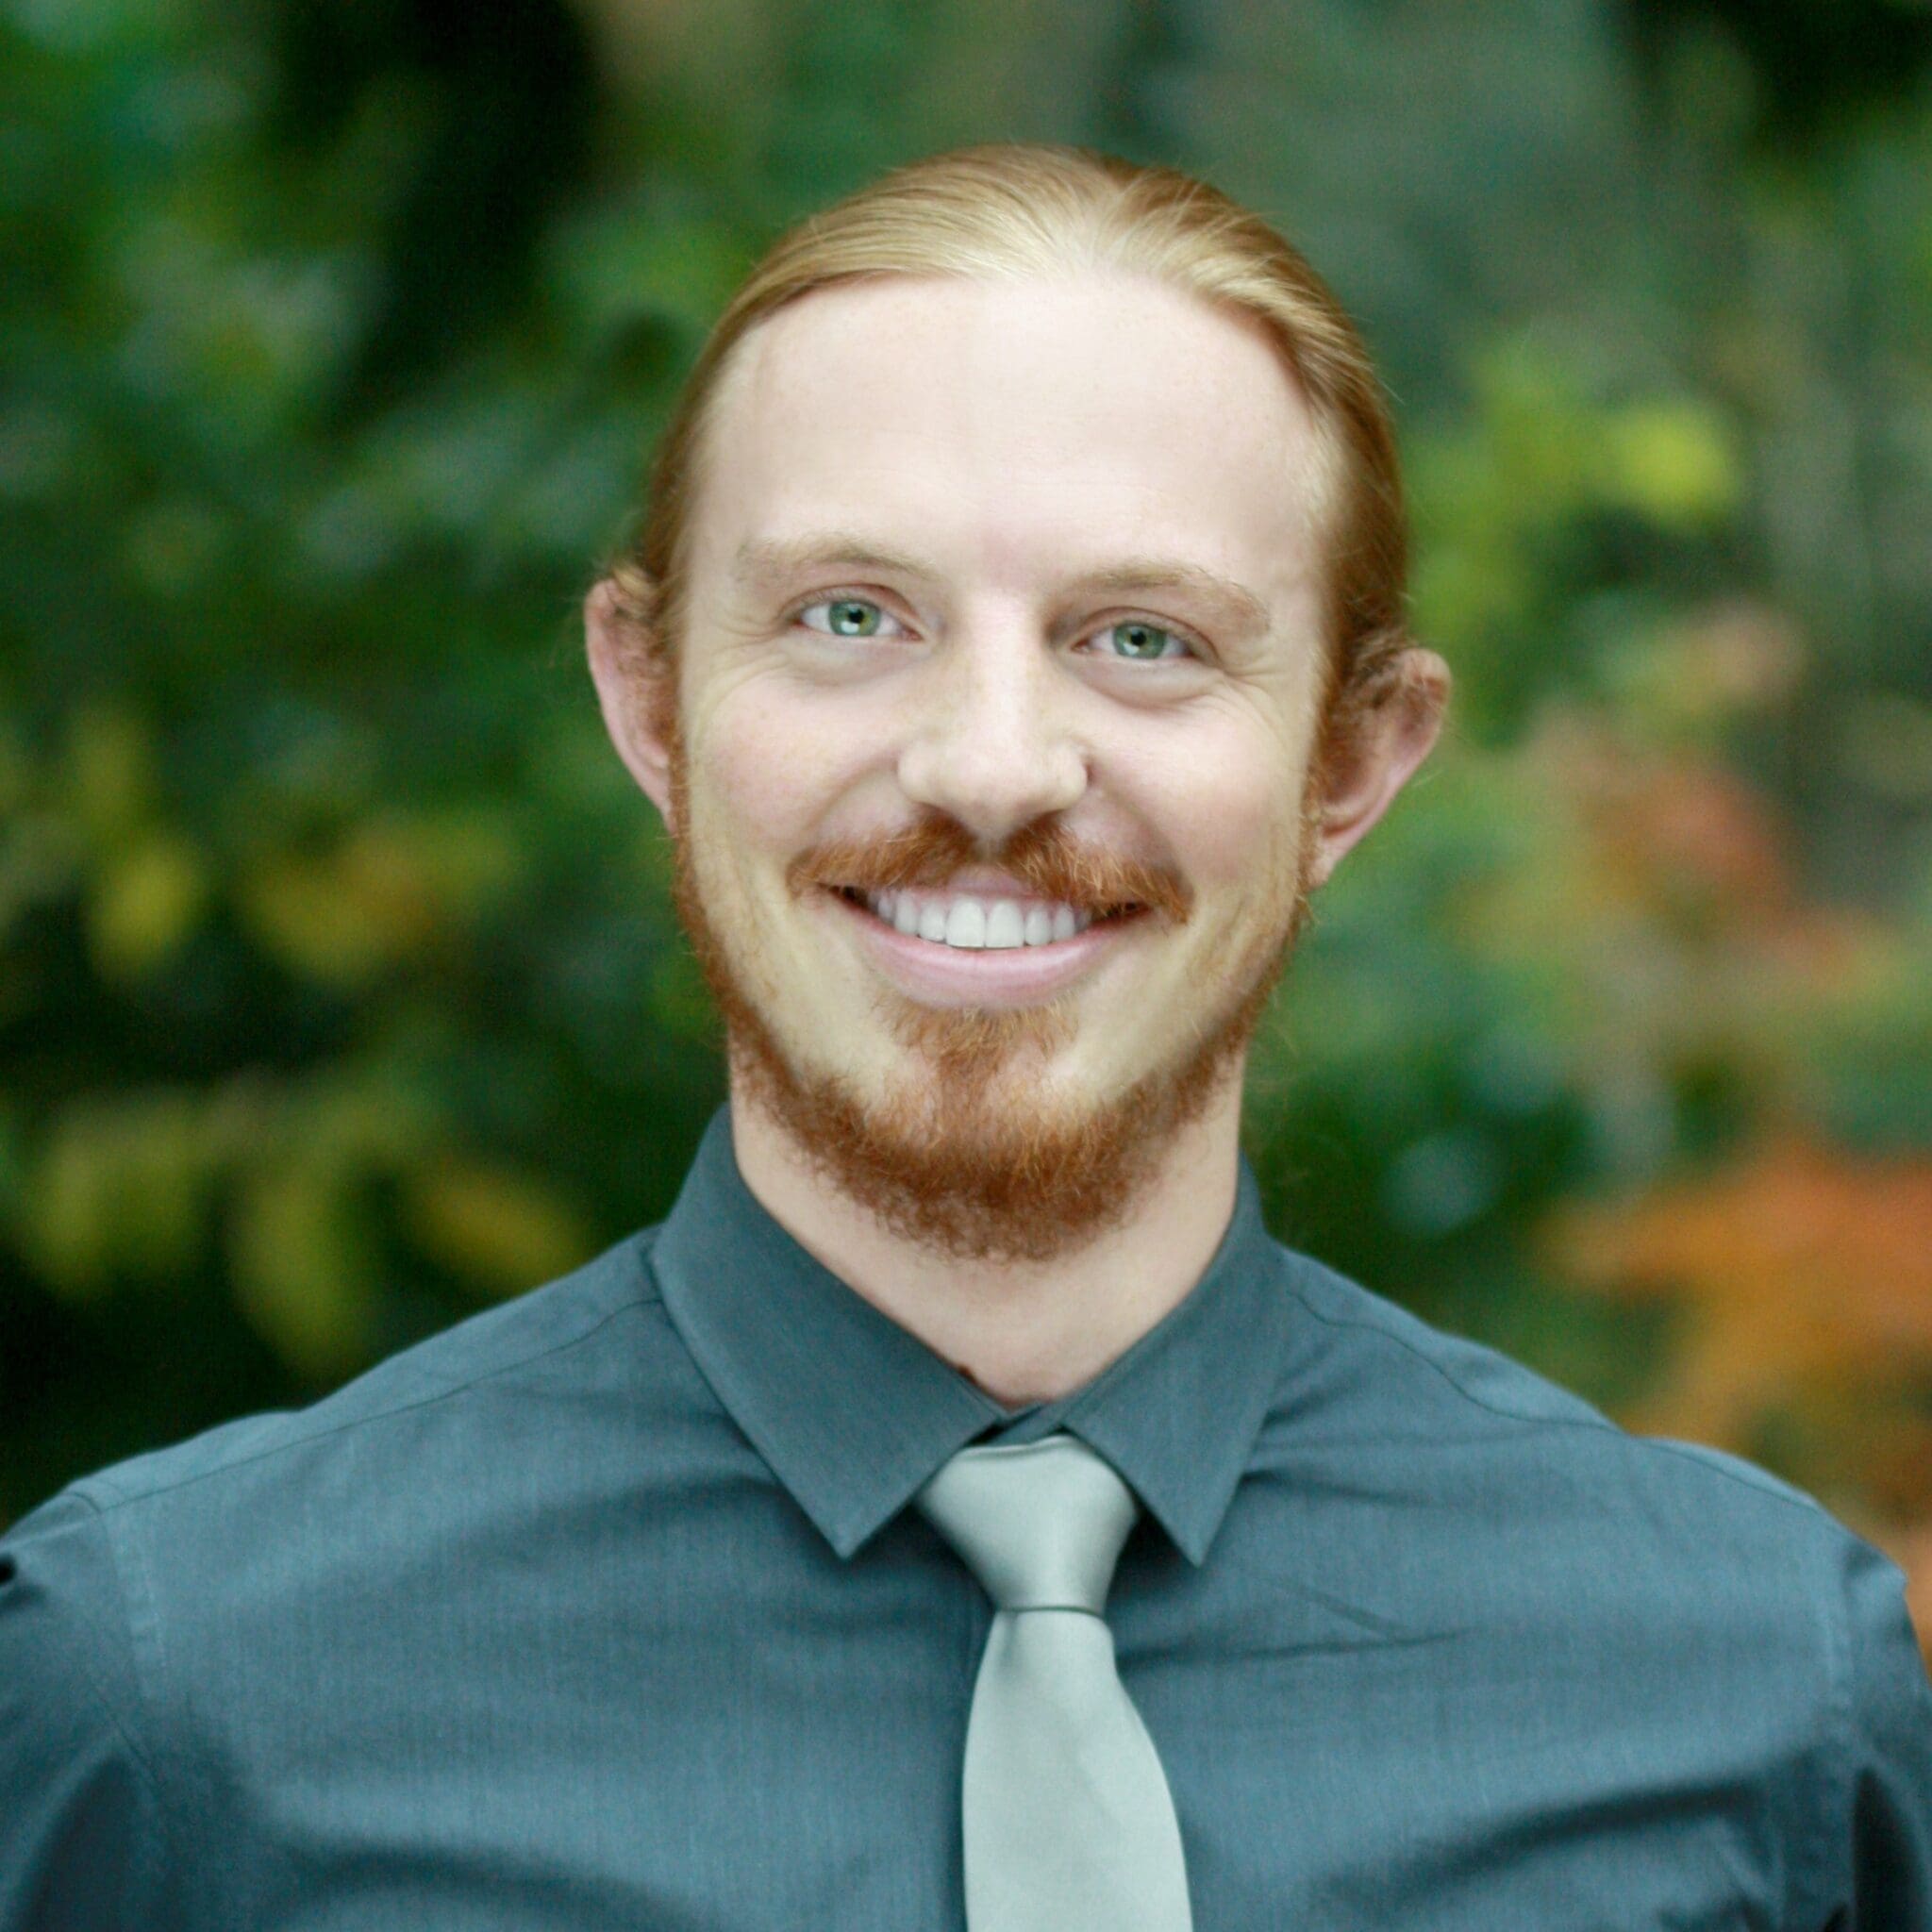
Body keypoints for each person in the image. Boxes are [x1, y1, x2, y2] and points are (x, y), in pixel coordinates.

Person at [2, 142, 1927, 1932]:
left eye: (1143, 636)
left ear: (1352, 755)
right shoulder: (180, 1689)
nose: (992, 766)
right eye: (851, 615)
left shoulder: (1755, 1688)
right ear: (650, 700)